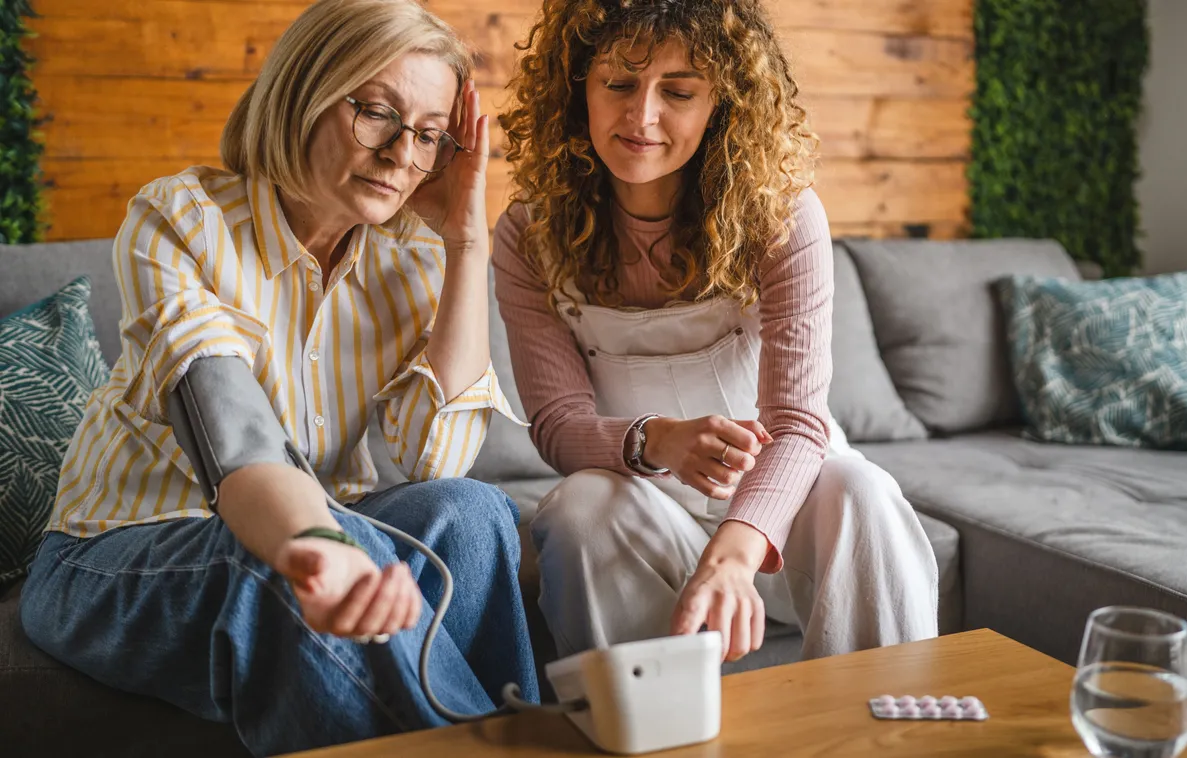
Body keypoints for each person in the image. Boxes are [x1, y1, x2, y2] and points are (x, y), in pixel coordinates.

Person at [19, 0, 536, 754]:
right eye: (378, 114)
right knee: (277, 565)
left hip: (322, 526)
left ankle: (520, 736)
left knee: (472, 512)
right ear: (304, 93)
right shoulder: (181, 218)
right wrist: (317, 546)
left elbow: (437, 460)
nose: (401, 154)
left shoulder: (411, 261)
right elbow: (234, 435)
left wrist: (464, 240)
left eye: (428, 135)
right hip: (108, 556)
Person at [494, 0, 940, 665]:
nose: (641, 116)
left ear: (720, 104)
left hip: (786, 507)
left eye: (678, 91)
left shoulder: (782, 217)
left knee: (861, 488)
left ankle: (884, 721)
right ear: (575, 88)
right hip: (641, 509)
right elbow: (556, 427)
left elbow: (797, 427)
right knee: (577, 504)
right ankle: (648, 721)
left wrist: (733, 556)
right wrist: (655, 440)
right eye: (617, 83)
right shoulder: (528, 232)